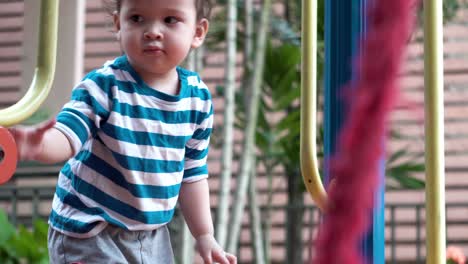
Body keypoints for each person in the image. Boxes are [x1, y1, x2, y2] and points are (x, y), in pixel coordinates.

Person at [9, 0, 237, 263]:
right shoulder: (105, 85)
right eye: (137, 18)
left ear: (197, 32)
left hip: (151, 234)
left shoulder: (197, 100)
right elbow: (68, 135)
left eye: (170, 20)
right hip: (90, 230)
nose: (152, 31)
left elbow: (193, 173)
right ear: (119, 25)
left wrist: (205, 234)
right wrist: (37, 145)